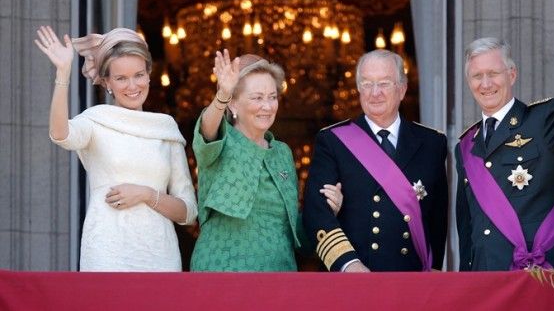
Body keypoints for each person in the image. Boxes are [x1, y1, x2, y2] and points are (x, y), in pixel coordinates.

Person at [455, 11, 554, 271]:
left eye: (493, 73)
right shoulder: (465, 145)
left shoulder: (543, 120)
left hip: (539, 273)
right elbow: (467, 228)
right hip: (484, 281)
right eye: (476, 76)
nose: (485, 84)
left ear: (512, 74)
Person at [35, 25, 198, 271]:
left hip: (160, 258)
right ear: (107, 82)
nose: (132, 86)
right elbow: (60, 135)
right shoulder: (96, 120)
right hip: (107, 255)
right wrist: (63, 73)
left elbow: (188, 212)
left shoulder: (165, 128)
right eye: (121, 78)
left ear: (149, 74)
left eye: (139, 75)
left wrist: (146, 194)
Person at [190, 50, 342, 271]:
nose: (268, 106)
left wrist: (327, 210)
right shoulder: (220, 140)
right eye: (257, 98)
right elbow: (206, 129)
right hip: (222, 273)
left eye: (272, 97)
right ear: (233, 104)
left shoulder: (282, 153)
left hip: (279, 275)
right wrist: (223, 94)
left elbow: (294, 231)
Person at [303, 49, 448, 272]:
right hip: (356, 277)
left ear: (402, 89)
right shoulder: (333, 141)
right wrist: (348, 264)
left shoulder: (432, 143)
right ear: (359, 89)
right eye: (367, 84)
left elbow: (438, 219)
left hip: (412, 278)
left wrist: (433, 268)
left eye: (384, 83)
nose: (375, 92)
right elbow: (316, 211)